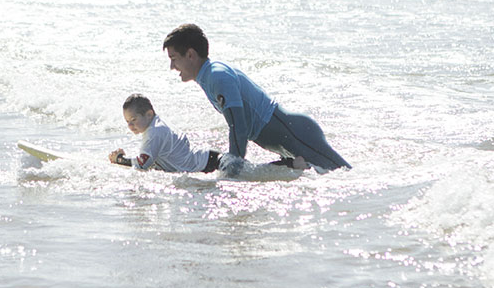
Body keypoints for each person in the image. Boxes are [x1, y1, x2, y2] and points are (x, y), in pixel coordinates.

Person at [162, 24, 351, 176]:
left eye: (174, 59)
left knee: (346, 177)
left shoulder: (217, 76)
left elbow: (239, 127)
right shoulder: (208, 76)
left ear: (190, 55)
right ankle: (296, 164)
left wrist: (231, 171)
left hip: (298, 135)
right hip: (288, 142)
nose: (172, 66)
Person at [108, 94, 305, 173]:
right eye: (127, 122)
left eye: (133, 120)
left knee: (252, 174)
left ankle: (294, 162)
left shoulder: (154, 133)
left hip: (208, 165)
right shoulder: (155, 126)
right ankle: (293, 161)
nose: (130, 126)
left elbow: (142, 165)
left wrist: (120, 159)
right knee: (250, 171)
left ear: (149, 114)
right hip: (208, 159)